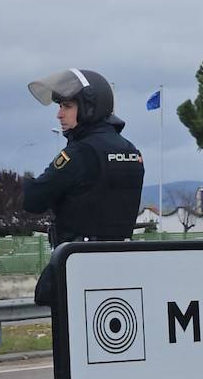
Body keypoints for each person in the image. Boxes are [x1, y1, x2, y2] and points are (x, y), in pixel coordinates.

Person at [22, 69, 145, 306]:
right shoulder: (131, 150)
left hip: (79, 266)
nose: (59, 114)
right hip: (122, 266)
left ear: (89, 107)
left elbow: (33, 200)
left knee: (72, 339)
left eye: (67, 106)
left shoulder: (80, 152)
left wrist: (28, 182)